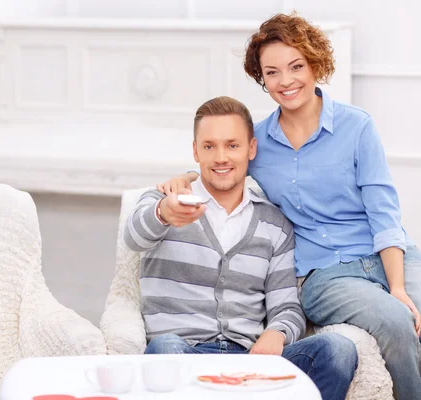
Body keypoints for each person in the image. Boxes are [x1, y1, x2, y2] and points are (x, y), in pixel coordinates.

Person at [158, 13, 421, 399]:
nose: (286, 81)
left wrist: (397, 285)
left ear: (315, 63)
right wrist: (182, 178)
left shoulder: (356, 127)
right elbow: (223, 163)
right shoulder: (258, 141)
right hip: (324, 274)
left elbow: (383, 211)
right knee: (398, 321)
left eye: (296, 66)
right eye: (273, 72)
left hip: (386, 256)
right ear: (261, 78)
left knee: (404, 303)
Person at [125, 95, 357, 400]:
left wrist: (277, 332)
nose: (221, 157)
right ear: (195, 151)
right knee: (164, 350)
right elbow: (133, 237)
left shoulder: (274, 222)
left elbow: (286, 305)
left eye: (232, 145)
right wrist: (164, 214)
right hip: (184, 354)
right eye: (209, 146)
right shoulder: (163, 200)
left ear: (251, 149)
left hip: (249, 361)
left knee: (337, 351)